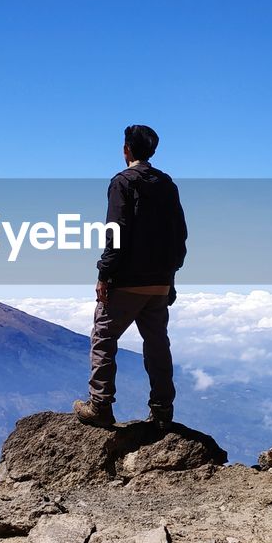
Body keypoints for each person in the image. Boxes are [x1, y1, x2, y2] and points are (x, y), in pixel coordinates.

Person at [73, 124, 187, 430]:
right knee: (157, 344)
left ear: (126, 150)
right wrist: (170, 279)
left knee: (103, 337)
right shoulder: (167, 184)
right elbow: (179, 236)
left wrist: (104, 274)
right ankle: (162, 411)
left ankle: (100, 406)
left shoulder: (123, 182)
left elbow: (116, 232)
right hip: (159, 283)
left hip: (127, 281)